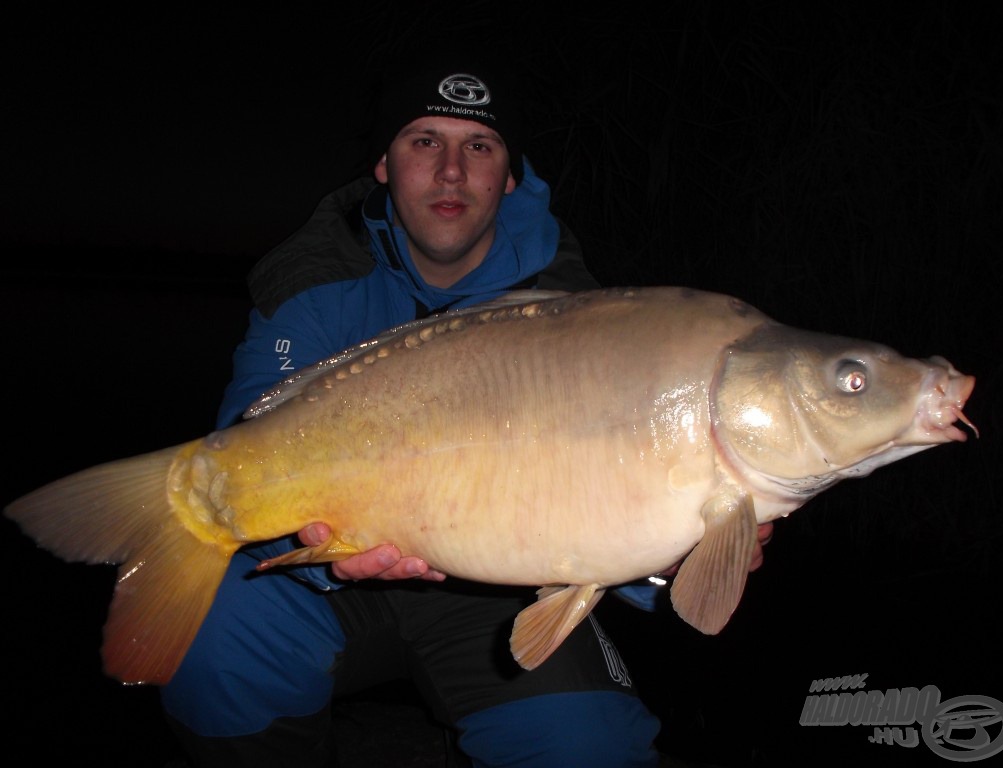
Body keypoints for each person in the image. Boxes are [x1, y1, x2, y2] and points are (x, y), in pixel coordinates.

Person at [160, 60, 773, 768]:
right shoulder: (313, 279)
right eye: (424, 141)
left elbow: (610, 512)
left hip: (499, 593)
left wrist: (678, 556)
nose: (451, 170)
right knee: (213, 662)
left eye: (478, 146)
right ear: (383, 164)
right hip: (326, 584)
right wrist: (323, 554)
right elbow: (249, 452)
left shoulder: (577, 312)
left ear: (509, 175)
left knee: (590, 747)